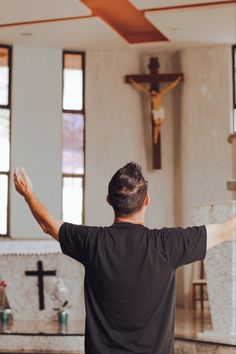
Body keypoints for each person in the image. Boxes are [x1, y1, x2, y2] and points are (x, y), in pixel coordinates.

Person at [14, 163, 235, 354]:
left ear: (108, 200)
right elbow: (227, 230)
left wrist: (28, 194)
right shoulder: (168, 244)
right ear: (147, 200)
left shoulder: (92, 242)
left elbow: (48, 225)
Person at [129, 76, 182, 144]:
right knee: (157, 125)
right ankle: (155, 137)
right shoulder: (150, 94)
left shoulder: (160, 94)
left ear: (156, 92)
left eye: (154, 94)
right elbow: (141, 88)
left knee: (159, 125)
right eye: (152, 94)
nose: (153, 95)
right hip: (155, 112)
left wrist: (178, 79)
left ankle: (155, 137)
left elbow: (170, 86)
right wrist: (133, 82)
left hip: (160, 110)